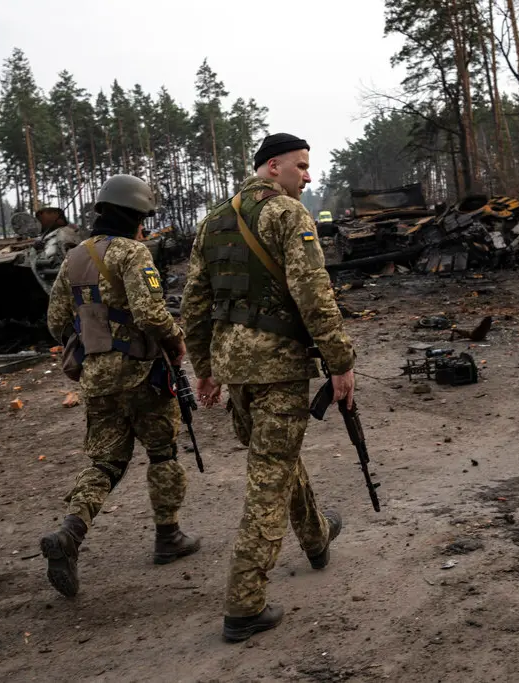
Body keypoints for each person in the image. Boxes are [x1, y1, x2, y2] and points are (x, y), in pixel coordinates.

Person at [180, 133, 356, 641]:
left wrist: (207, 366)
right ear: (272, 167)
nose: (308, 176)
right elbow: (314, 294)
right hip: (278, 369)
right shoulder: (287, 215)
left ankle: (317, 536)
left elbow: (195, 301)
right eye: (301, 167)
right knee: (268, 480)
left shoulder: (213, 219)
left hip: (237, 370)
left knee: (273, 460)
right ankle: (244, 604)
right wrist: (340, 360)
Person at [40, 174, 201, 598]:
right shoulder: (135, 254)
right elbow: (150, 313)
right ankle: (168, 537)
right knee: (163, 453)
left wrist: (94, 339)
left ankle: (70, 535)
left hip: (95, 377)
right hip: (142, 373)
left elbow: (56, 323)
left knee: (105, 463)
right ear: (136, 217)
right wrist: (176, 339)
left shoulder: (73, 258)